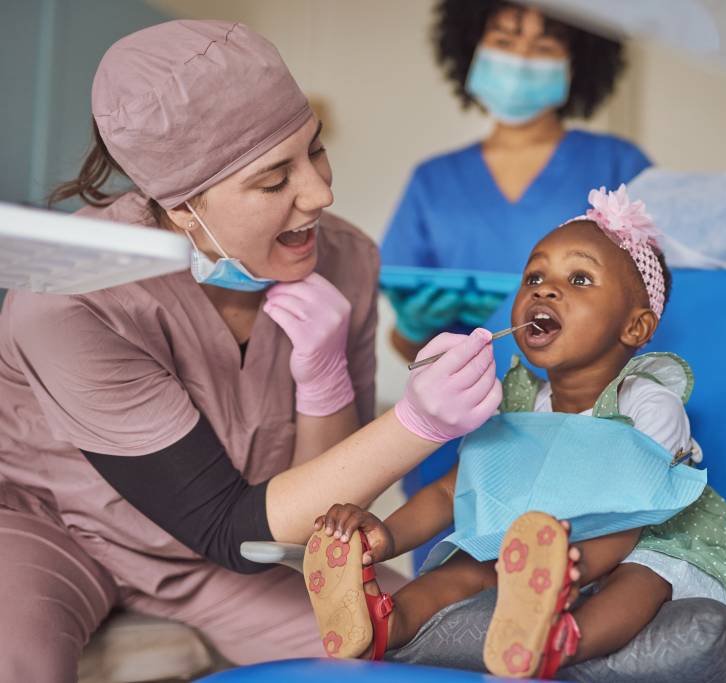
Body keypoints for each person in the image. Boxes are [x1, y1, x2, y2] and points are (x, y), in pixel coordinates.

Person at [0, 20, 501, 681]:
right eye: (274, 180)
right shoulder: (70, 299)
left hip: (228, 557)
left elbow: (305, 520)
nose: (321, 193)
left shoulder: (347, 260)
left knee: (415, 642)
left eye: (315, 151)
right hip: (50, 527)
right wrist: (421, 423)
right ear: (181, 207)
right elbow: (226, 524)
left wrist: (324, 383)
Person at [303, 187, 726, 678]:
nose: (543, 289)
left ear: (635, 327)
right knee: (465, 565)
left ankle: (562, 641)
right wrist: (385, 536)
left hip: (641, 539)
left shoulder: (648, 405)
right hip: (540, 558)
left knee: (644, 578)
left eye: (580, 278)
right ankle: (384, 626)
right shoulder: (517, 403)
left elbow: (627, 521)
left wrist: (567, 570)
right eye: (534, 276)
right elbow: (450, 490)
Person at [381, 0, 652, 361]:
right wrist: (412, 327)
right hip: (468, 407)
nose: (521, 60)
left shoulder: (621, 165)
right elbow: (408, 348)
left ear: (578, 64)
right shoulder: (432, 181)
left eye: (543, 47)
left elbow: (661, 309)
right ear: (471, 49)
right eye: (504, 42)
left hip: (588, 407)